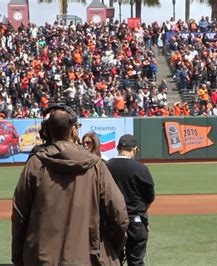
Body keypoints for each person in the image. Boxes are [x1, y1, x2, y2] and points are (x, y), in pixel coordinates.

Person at [11, 104, 129, 266]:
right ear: (73, 130)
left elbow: (19, 217)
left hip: (41, 257)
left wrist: (19, 256)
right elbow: (118, 214)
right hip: (87, 257)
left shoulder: (35, 164)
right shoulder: (96, 166)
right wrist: (114, 248)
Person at [106, 134, 155, 266]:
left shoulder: (106, 166)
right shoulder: (141, 168)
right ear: (134, 149)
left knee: (114, 260)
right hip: (136, 221)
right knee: (136, 261)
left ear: (117, 148)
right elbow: (150, 197)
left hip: (112, 221)